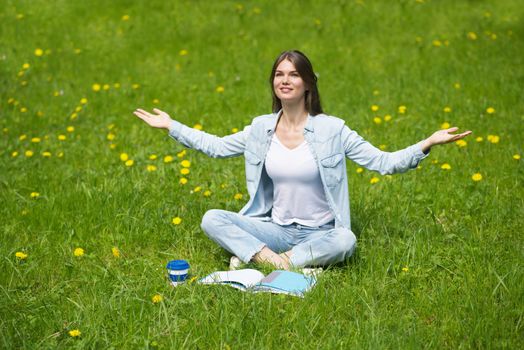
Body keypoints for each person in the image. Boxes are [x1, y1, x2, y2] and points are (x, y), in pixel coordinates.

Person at [133, 50, 471, 271]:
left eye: (293, 74)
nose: (285, 79)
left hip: (319, 233)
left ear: (308, 83)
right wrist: (172, 126)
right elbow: (217, 146)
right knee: (212, 218)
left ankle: (259, 260)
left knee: (346, 240)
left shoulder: (333, 130)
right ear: (273, 83)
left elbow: (383, 162)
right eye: (279, 74)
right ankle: (282, 262)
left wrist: (426, 144)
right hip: (276, 229)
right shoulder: (261, 129)